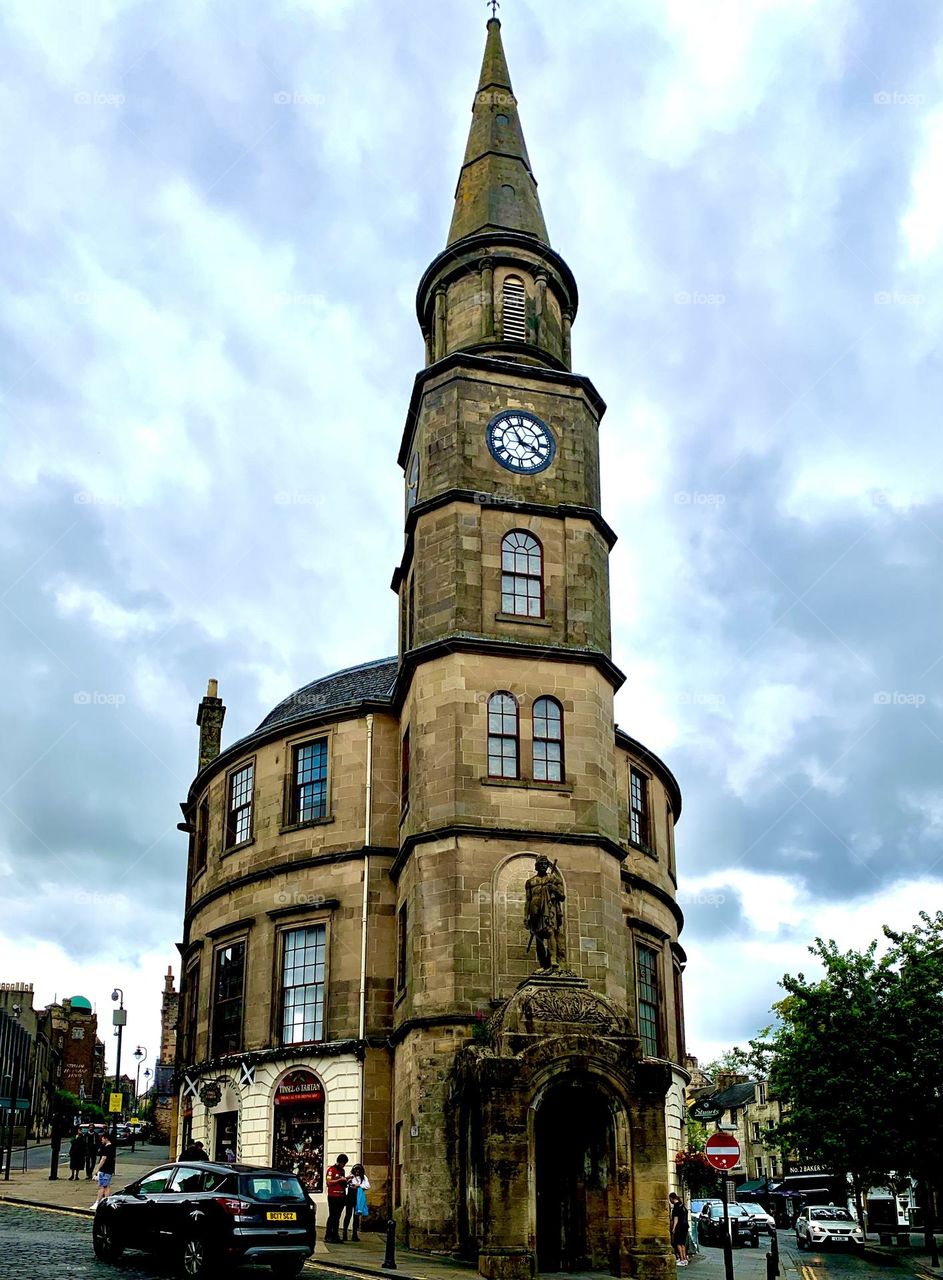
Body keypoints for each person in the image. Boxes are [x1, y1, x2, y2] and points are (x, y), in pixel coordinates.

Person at [524, 855, 567, 969]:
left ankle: (553, 959)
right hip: (535, 910)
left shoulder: (554, 879)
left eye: (545, 864)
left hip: (549, 907)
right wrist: (525, 916)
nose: (543, 866)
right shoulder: (530, 882)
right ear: (536, 866)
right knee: (538, 937)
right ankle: (543, 964)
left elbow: (562, 896)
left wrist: (553, 888)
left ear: (548, 866)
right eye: (541, 864)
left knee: (550, 931)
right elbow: (528, 900)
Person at [324, 1154, 349, 1242]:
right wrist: (339, 1180)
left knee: (337, 1217)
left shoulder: (342, 1171)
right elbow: (328, 1182)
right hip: (333, 1196)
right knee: (332, 1216)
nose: (344, 1165)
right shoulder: (331, 1170)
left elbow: (342, 1182)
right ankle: (328, 1235)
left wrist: (346, 1179)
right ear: (339, 1162)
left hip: (341, 1196)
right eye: (343, 1163)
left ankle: (335, 1235)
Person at [343, 1163, 370, 1242]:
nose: (357, 1172)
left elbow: (368, 1186)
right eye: (356, 1170)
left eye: (359, 1171)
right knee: (348, 1215)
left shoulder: (363, 1178)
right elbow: (345, 1184)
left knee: (356, 1217)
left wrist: (359, 1186)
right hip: (350, 1197)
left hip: (357, 1198)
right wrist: (348, 1182)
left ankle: (354, 1234)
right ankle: (345, 1233)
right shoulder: (351, 1176)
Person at [93, 1131, 117, 1206]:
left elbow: (103, 1158)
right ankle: (107, 1202)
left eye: (102, 1139)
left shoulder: (107, 1147)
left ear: (106, 1138)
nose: (101, 1140)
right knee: (106, 1186)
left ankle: (97, 1202)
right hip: (109, 1170)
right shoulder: (112, 1147)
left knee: (102, 1187)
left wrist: (97, 1169)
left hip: (104, 1170)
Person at [669, 1193, 689, 1267]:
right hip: (685, 1226)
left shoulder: (676, 1207)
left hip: (679, 1226)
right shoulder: (682, 1205)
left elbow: (676, 1218)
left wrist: (673, 1228)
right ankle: (684, 1259)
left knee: (678, 1243)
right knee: (683, 1243)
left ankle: (681, 1259)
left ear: (671, 1198)